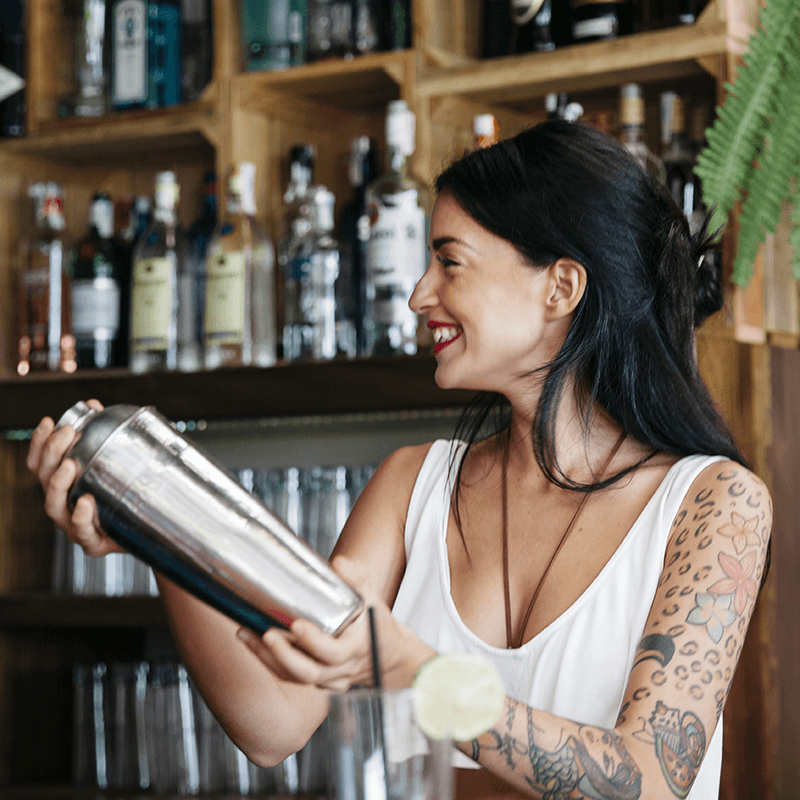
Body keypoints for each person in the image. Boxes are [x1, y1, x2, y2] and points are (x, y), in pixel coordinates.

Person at [28, 120, 771, 799]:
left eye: (450, 262)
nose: (418, 296)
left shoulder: (715, 505)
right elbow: (273, 725)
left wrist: (423, 676)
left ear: (561, 286)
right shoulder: (412, 485)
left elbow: (646, 782)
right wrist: (155, 521)